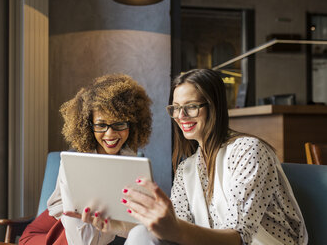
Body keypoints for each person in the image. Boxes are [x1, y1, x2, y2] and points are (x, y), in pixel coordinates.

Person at [121, 69, 308, 245]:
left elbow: (239, 238)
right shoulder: (186, 168)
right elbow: (174, 231)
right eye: (176, 108)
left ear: (214, 107)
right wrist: (121, 226)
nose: (181, 116)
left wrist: (176, 230)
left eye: (191, 107)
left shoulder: (248, 151)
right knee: (139, 233)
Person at [19, 73, 152, 245]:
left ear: (132, 124)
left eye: (119, 123)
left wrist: (118, 225)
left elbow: (139, 228)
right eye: (101, 125)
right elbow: (82, 241)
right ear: (88, 125)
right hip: (48, 230)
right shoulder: (72, 163)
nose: (110, 134)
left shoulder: (130, 160)